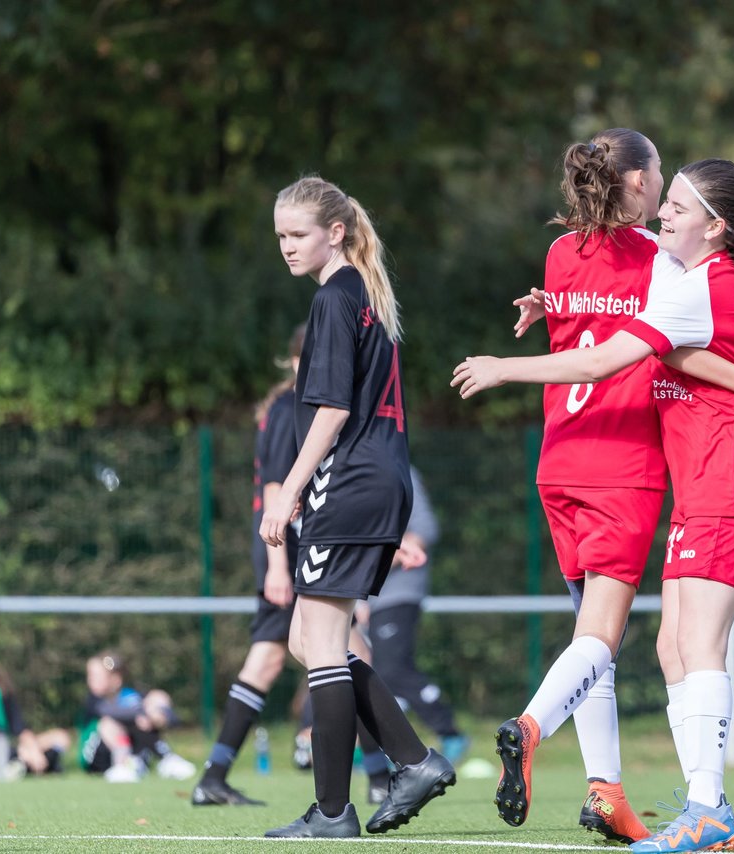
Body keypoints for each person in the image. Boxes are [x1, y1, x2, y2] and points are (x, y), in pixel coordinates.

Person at [454, 131, 734, 846]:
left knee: (654, 640)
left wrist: (537, 335)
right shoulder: (665, 265)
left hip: (597, 461)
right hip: (642, 469)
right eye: (660, 187)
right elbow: (651, 348)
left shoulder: (624, 262)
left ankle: (665, 802)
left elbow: (642, 347)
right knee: (647, 643)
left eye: (678, 201)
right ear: (635, 184)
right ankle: (590, 761)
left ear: (712, 225)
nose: (665, 208)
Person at [260, 175, 454, 839]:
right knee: (312, 638)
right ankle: (412, 759)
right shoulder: (362, 294)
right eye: (281, 235)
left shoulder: (336, 299)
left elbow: (333, 410)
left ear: (334, 232)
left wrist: (287, 488)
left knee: (319, 642)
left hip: (350, 482)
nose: (286, 246)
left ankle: (336, 810)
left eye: (298, 234)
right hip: (377, 481)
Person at [192, 324, 306, 806]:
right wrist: (278, 566)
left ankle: (213, 776)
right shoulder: (292, 405)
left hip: (287, 543)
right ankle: (387, 773)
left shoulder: (295, 402)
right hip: (284, 544)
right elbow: (275, 490)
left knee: (271, 657)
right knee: (337, 649)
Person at [363, 466, 469, 766]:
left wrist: (372, 570)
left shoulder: (399, 470)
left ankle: (449, 732)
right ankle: (380, 748)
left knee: (393, 670)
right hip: (370, 597)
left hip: (398, 593)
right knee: (376, 673)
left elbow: (424, 530)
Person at [77, 650, 196, 783]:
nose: (91, 679)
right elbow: (113, 713)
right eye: (91, 675)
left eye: (98, 675)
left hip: (133, 751)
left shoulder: (129, 695)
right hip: (97, 758)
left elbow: (168, 713)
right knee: (110, 723)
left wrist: (157, 711)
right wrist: (143, 713)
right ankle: (123, 764)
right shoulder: (94, 701)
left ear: (116, 678)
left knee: (154, 701)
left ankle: (166, 760)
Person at [0, 641, 69, 779]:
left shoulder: (1, 692)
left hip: (7, 747)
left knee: (60, 737)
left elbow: (20, 730)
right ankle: (17, 763)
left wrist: (33, 750)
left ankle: (21, 761)